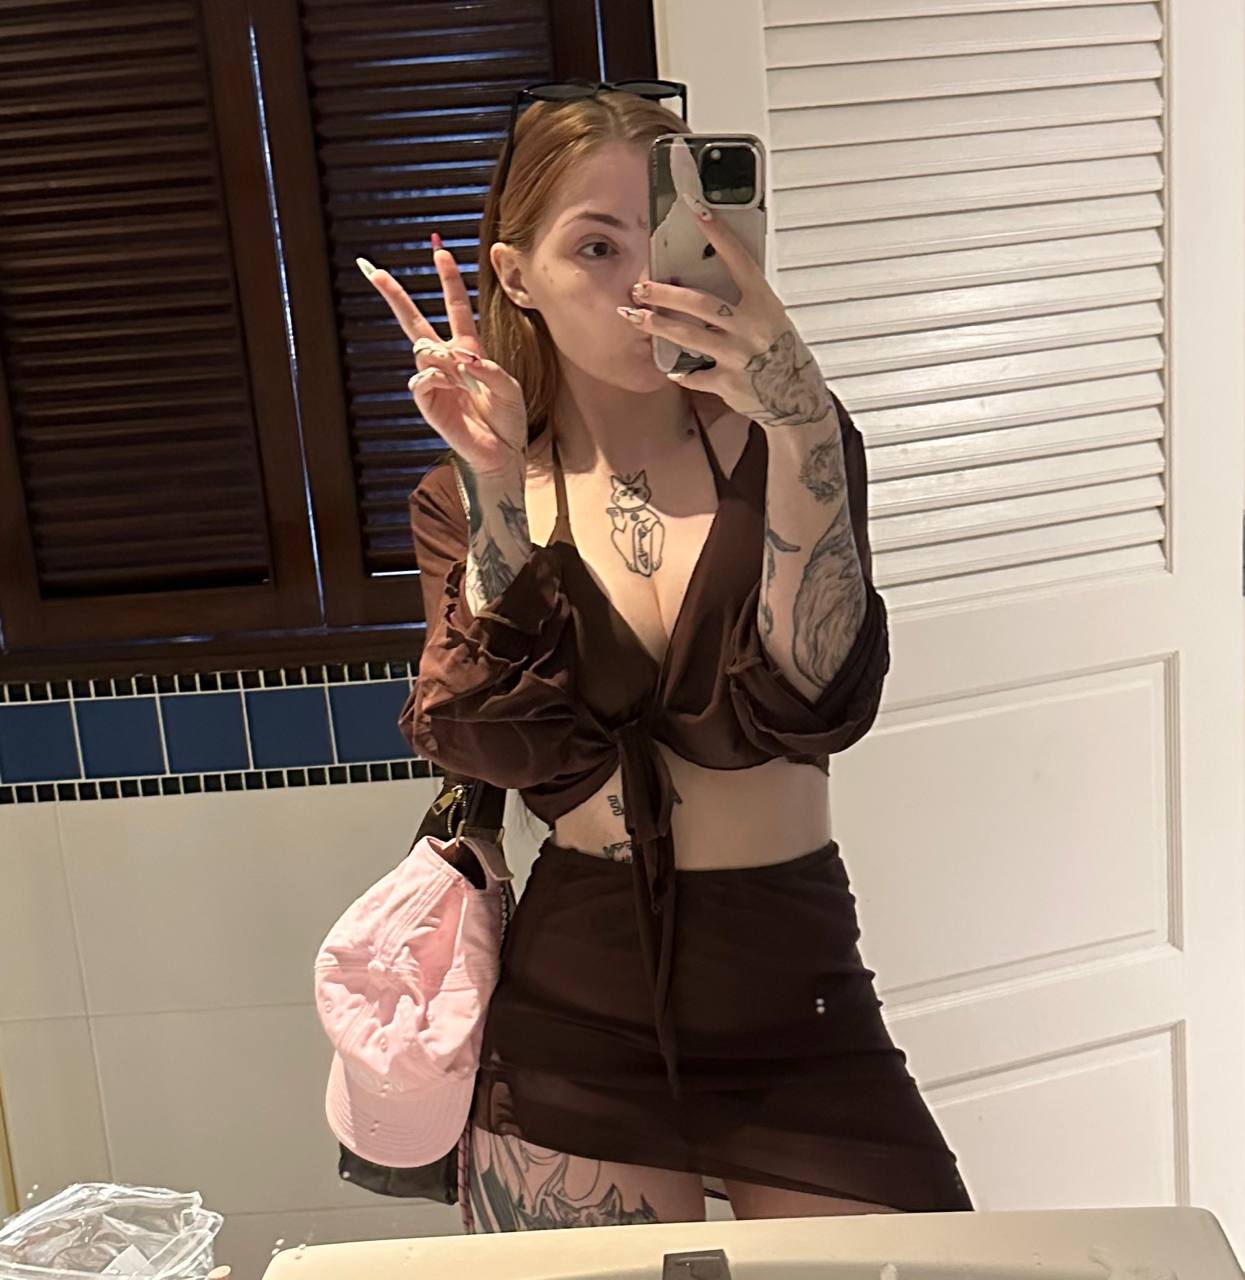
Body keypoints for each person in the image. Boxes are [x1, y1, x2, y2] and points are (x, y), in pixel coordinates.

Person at [361, 84, 974, 1231]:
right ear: (516, 275)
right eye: (595, 246)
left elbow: (817, 690)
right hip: (573, 1013)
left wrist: (798, 421)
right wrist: (497, 492)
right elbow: (492, 738)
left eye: (672, 233)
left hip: (799, 999)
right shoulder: (463, 493)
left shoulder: (797, 439)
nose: (644, 280)